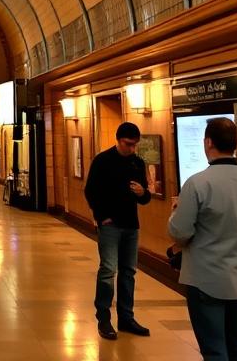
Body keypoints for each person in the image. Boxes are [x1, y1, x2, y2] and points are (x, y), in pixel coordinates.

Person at [168, 118, 237, 360]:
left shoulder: (197, 184)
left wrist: (175, 210)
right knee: (236, 340)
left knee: (214, 347)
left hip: (206, 278)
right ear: (235, 144)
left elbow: (179, 231)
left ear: (208, 142)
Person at [84, 121, 152, 340]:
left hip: (131, 225)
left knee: (128, 272)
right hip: (110, 225)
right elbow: (90, 191)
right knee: (108, 271)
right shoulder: (102, 161)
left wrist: (143, 193)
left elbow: (145, 198)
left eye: (134, 145)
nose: (131, 149)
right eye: (127, 144)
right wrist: (102, 217)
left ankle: (126, 318)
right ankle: (103, 318)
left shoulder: (137, 163)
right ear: (118, 140)